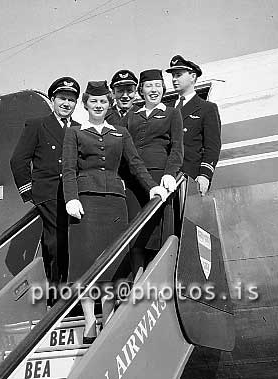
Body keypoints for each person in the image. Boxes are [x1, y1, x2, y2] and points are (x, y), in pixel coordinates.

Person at [62, 80, 167, 343]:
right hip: (85, 202)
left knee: (113, 264)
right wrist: (71, 198)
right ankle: (89, 322)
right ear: (86, 104)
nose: (99, 105)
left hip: (114, 203)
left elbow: (135, 163)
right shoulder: (74, 133)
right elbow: (68, 170)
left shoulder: (120, 133)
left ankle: (107, 318)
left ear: (108, 104)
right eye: (94, 101)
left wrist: (152, 187)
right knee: (86, 262)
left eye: (103, 102)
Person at [10, 77, 81, 305]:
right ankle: (56, 299)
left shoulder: (80, 129)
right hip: (49, 194)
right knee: (55, 243)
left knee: (72, 242)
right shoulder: (38, 125)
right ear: (52, 100)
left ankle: (70, 294)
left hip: (73, 195)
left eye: (71, 99)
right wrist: (30, 192)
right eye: (62, 98)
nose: (66, 103)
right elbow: (18, 160)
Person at [120, 69, 183, 279]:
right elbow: (119, 148)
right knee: (136, 231)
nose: (153, 90)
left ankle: (158, 277)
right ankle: (138, 278)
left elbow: (177, 148)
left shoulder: (172, 113)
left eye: (157, 85)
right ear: (141, 90)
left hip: (159, 178)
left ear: (163, 89)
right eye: (148, 86)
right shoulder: (131, 116)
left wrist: (170, 173)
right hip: (133, 179)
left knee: (158, 230)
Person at [166, 55, 221, 195]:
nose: (174, 79)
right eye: (173, 76)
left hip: (188, 177)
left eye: (178, 75)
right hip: (166, 177)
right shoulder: (166, 108)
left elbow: (212, 146)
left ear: (192, 76)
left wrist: (205, 175)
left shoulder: (207, 108)